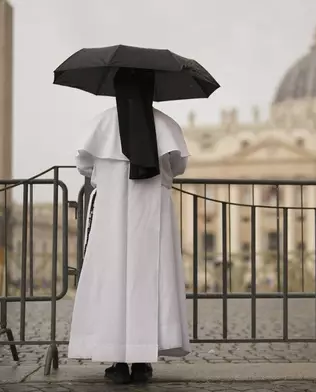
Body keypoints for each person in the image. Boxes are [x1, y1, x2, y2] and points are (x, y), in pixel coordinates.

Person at [67, 103, 191, 384]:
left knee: (112, 281)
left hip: (112, 212)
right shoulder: (164, 123)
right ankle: (142, 361)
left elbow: (84, 165)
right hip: (152, 213)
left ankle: (118, 362)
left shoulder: (103, 123)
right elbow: (179, 165)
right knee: (148, 282)